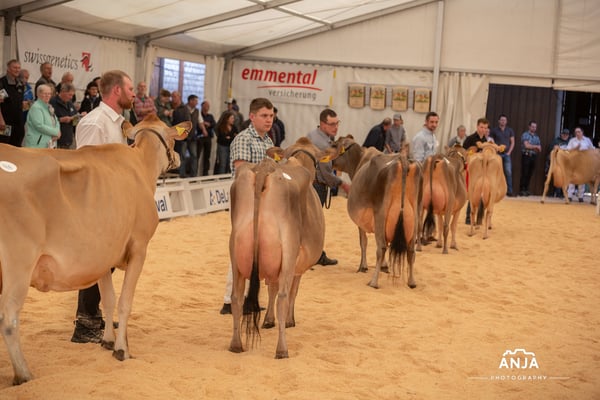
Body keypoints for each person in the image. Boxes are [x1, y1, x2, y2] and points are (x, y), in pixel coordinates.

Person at [71, 70, 136, 343]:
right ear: (117, 90)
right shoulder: (95, 123)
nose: (134, 94)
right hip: (95, 204)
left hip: (112, 203)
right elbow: (85, 169)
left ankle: (96, 315)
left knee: (107, 264)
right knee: (97, 262)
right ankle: (84, 324)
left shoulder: (119, 124)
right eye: (130, 89)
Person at [220, 97, 276, 315]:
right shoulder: (243, 139)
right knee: (240, 247)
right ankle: (229, 299)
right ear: (252, 116)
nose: (268, 120)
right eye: (264, 116)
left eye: (271, 116)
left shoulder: (268, 142)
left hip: (263, 201)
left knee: (257, 248)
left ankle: (249, 298)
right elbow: (242, 171)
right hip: (245, 201)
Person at [307, 108, 351, 267]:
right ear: (323, 124)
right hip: (316, 185)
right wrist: (342, 184)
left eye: (337, 123)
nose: (336, 127)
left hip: (311, 184)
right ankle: (315, 256)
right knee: (314, 222)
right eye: (332, 124)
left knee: (310, 221)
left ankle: (312, 254)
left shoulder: (315, 135)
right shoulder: (320, 143)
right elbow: (325, 172)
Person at [462, 118, 490, 224]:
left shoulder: (486, 141)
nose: (483, 130)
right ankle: (468, 217)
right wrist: (472, 153)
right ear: (477, 126)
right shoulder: (470, 139)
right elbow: (464, 153)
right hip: (472, 169)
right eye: (481, 127)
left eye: (485, 128)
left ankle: (478, 217)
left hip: (482, 170)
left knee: (481, 192)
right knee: (472, 192)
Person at [23, 84, 60, 148]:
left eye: (49, 94)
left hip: (49, 144)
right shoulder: (36, 107)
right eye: (45, 93)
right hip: (37, 145)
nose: (47, 96)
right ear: (38, 94)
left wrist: (58, 131)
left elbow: (56, 121)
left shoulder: (49, 107)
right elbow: (39, 125)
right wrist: (56, 132)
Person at [0, 59, 26, 147]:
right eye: (14, 67)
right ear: (8, 69)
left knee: (17, 147)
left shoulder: (20, 84)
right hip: (5, 123)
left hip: (18, 123)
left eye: (19, 68)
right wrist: (1, 120)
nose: (17, 70)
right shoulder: (2, 83)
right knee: (4, 146)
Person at [566, 126, 595, 202]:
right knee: (572, 178)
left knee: (582, 178)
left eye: (578, 132)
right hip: (574, 161)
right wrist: (575, 148)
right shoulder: (572, 140)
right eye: (576, 132)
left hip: (584, 162)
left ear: (582, 132)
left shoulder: (587, 140)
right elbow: (567, 149)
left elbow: (592, 149)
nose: (577, 133)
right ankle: (569, 195)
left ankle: (580, 196)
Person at [489, 114, 515, 197]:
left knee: (508, 172)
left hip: (506, 154)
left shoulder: (510, 130)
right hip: (497, 154)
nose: (503, 121)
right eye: (502, 120)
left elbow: (512, 142)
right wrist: (495, 150)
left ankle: (509, 191)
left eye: (504, 120)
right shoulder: (494, 130)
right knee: (495, 172)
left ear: (506, 121)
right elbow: (491, 141)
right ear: (499, 121)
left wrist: (509, 152)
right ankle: (494, 190)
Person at [170, 91, 193, 177]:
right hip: (171, 137)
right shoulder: (170, 107)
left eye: (175, 96)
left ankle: (181, 175)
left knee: (181, 156)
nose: (173, 98)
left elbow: (187, 124)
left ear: (179, 97)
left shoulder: (184, 109)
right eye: (172, 97)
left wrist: (179, 135)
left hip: (181, 138)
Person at [50, 82, 79, 149]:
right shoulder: (52, 102)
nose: (71, 97)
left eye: (72, 95)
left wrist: (79, 117)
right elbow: (47, 120)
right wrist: (60, 120)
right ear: (63, 92)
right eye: (70, 95)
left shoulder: (70, 104)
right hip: (56, 141)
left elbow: (75, 120)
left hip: (68, 140)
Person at [518, 121, 542, 197]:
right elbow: (526, 146)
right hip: (526, 155)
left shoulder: (537, 137)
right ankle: (522, 190)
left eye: (535, 127)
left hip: (533, 156)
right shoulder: (525, 135)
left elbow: (539, 149)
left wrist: (531, 146)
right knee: (524, 173)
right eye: (532, 127)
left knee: (530, 173)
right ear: (529, 127)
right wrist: (535, 146)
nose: (534, 128)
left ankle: (526, 189)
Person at [546, 128, 571, 197]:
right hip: (557, 161)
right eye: (564, 134)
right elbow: (551, 150)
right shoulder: (556, 141)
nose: (565, 135)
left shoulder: (570, 142)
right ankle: (556, 193)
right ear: (561, 134)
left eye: (566, 134)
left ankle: (563, 193)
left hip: (566, 163)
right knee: (557, 177)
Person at [214, 110, 238, 174]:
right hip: (222, 147)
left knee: (229, 164)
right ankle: (221, 177)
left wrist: (229, 137)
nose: (233, 120)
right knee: (223, 164)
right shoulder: (221, 127)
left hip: (231, 147)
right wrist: (231, 137)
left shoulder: (234, 127)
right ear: (227, 119)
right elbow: (222, 138)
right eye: (231, 118)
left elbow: (236, 136)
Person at [198, 100, 216, 176]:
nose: (207, 107)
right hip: (199, 137)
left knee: (207, 156)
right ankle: (195, 173)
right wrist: (203, 124)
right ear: (202, 106)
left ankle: (205, 173)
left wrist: (209, 124)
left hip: (208, 137)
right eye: (205, 106)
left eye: (208, 106)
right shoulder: (199, 115)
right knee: (197, 155)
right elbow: (198, 124)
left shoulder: (210, 116)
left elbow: (214, 124)